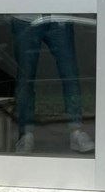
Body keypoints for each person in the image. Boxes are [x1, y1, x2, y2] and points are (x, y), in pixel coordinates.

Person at [10, 15, 95, 154]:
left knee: (70, 74)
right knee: (25, 78)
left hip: (58, 15)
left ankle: (76, 131)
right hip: (25, 16)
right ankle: (25, 134)